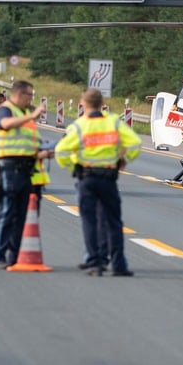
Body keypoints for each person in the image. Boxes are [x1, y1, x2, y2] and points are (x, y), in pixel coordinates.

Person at [55, 89, 141, 276]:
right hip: (108, 178)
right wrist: (123, 160)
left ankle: (95, 262)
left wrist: (73, 166)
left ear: (82, 103)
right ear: (102, 103)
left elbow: (60, 151)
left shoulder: (79, 126)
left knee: (90, 221)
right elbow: (135, 143)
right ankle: (118, 265)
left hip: (86, 177)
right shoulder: (113, 123)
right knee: (113, 222)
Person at [0, 81, 49, 269]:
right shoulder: (5, 111)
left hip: (25, 169)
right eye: (30, 95)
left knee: (21, 214)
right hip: (9, 168)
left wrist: (43, 151)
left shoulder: (24, 115)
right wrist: (31, 115)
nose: (31, 99)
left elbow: (26, 143)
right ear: (20, 94)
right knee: (8, 211)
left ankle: (13, 256)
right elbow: (5, 125)